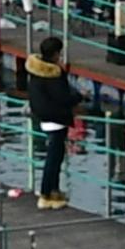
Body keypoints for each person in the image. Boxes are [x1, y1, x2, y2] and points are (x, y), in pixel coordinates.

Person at [26, 35, 79, 205]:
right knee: (54, 159)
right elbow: (62, 97)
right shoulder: (55, 74)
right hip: (57, 117)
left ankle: (54, 192)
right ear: (56, 54)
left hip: (43, 116)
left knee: (55, 156)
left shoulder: (35, 71)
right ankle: (46, 193)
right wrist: (78, 97)